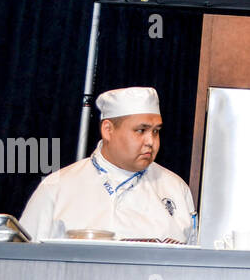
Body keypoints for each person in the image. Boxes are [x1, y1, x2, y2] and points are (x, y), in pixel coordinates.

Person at [19, 87, 195, 243]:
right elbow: (24, 261)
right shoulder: (57, 187)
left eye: (156, 131)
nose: (151, 141)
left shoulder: (175, 189)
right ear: (108, 130)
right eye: (141, 130)